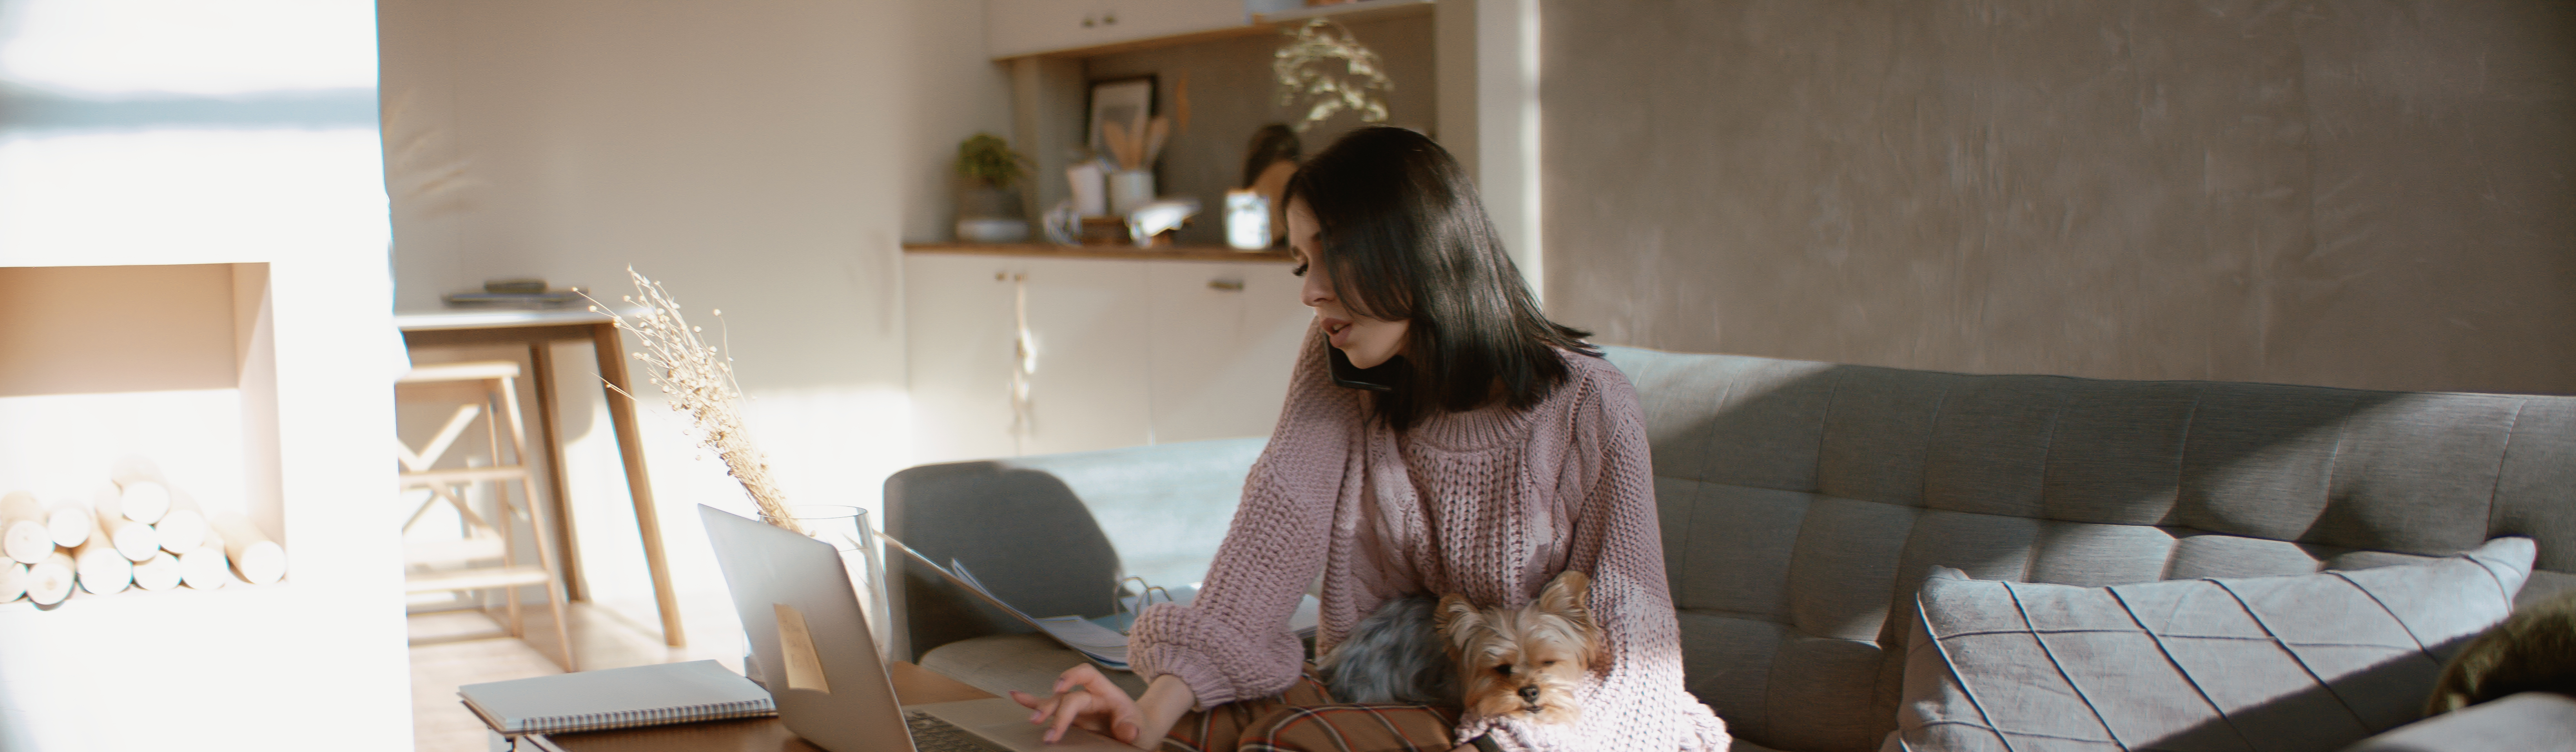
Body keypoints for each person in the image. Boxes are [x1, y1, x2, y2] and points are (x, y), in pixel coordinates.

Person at [1013, 126, 1731, 752]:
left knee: (1293, 741)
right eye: (1301, 263)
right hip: (1387, 686)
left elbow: (1634, 634)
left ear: (1418, 250)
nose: (1310, 291)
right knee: (1188, 733)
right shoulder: (1340, 369)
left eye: (1333, 257)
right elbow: (1277, 524)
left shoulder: (1587, 404)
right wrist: (1149, 713)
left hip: (1542, 721)